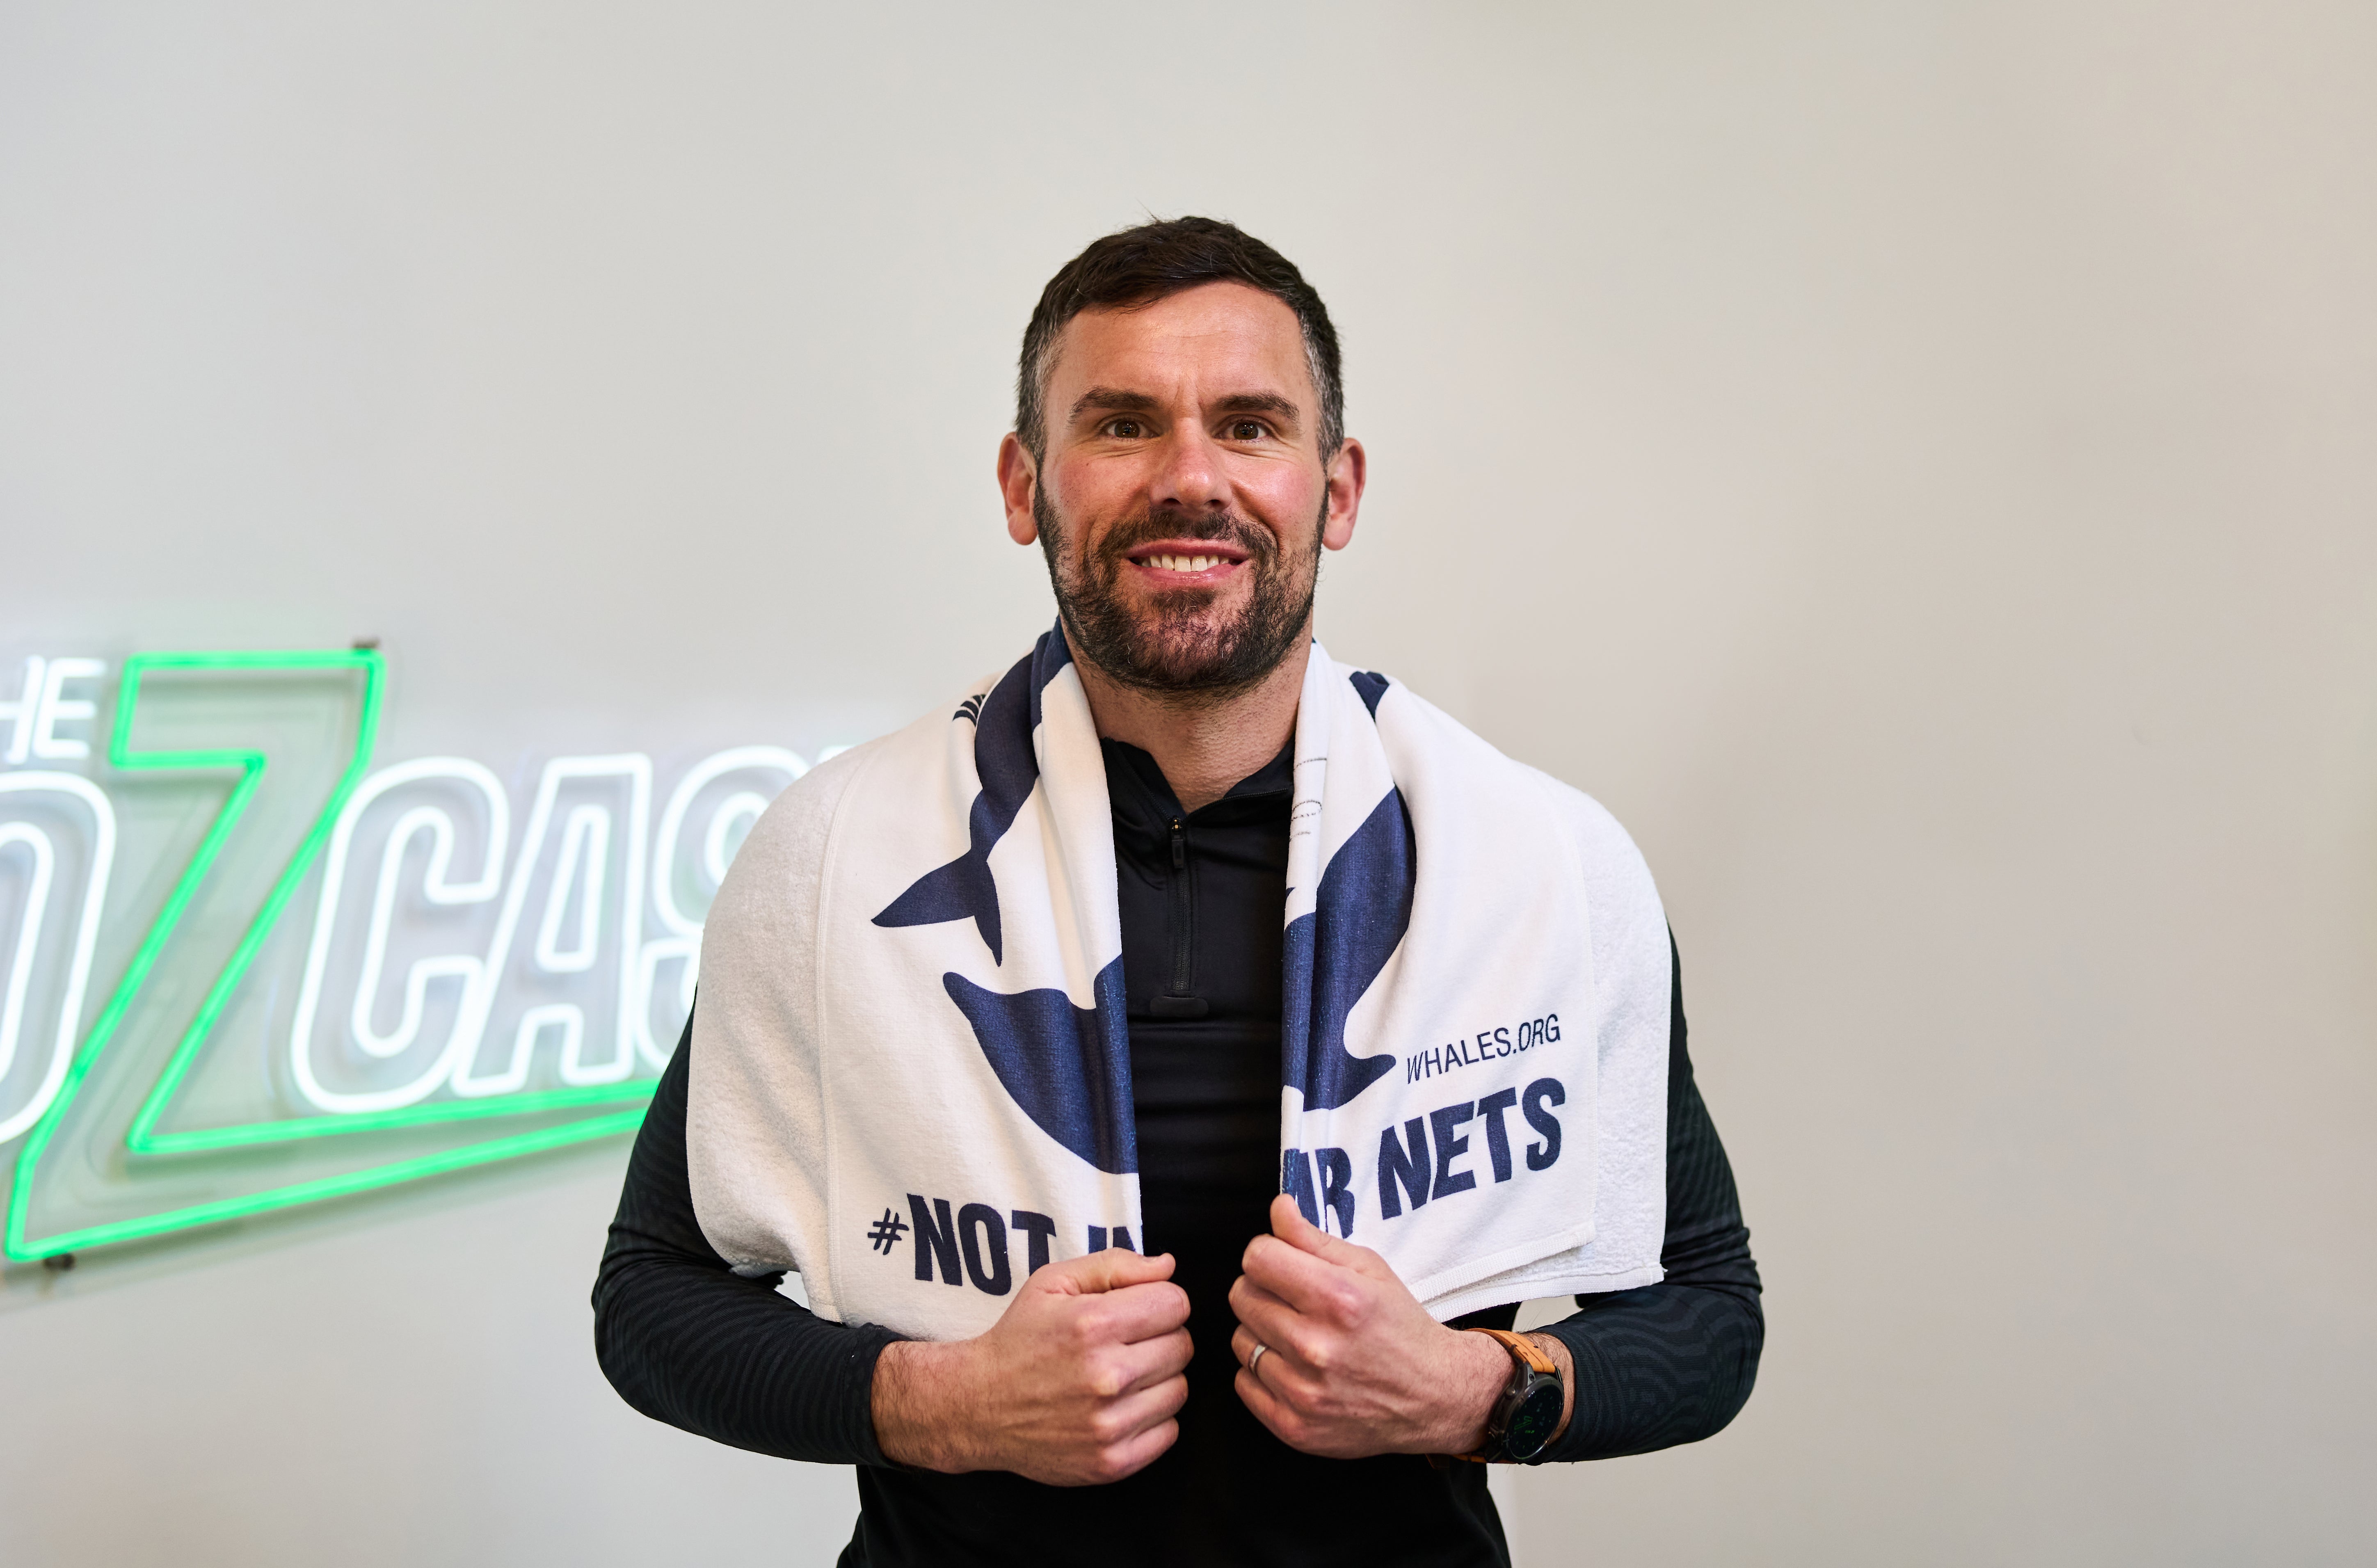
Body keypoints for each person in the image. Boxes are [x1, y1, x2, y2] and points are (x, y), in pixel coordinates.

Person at [593, 217, 1761, 1567]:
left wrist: (1462, 1389)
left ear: (1339, 489)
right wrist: (948, 1403)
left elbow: (1710, 1316)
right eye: (1124, 424)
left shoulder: (1536, 862)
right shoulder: (837, 858)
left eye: (1252, 425)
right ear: (1025, 485)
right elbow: (654, 1300)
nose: (1190, 477)